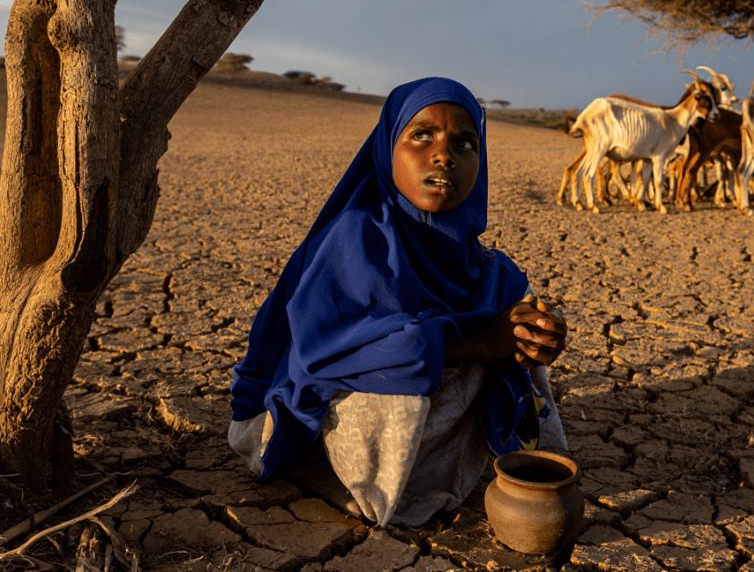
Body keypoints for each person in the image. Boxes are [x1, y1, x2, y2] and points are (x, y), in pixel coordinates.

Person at [229, 76, 568, 527]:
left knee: (519, 329)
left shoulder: (486, 268)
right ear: (388, 147)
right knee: (393, 389)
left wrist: (537, 338)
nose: (444, 155)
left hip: (422, 431)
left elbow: (514, 331)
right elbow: (327, 355)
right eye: (422, 135)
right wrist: (477, 342)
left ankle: (513, 467)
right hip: (297, 413)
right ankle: (354, 486)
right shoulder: (354, 241)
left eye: (465, 143)